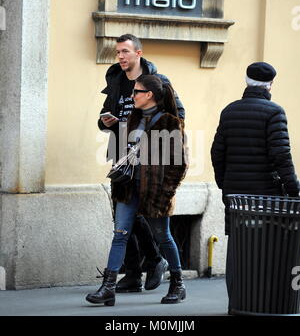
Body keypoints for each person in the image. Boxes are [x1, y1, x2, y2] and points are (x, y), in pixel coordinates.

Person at [86, 74, 188, 306]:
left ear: (149, 95)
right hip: (128, 187)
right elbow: (125, 150)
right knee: (120, 234)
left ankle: (178, 284)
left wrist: (165, 192)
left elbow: (179, 164)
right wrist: (116, 129)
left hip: (154, 192)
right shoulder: (131, 118)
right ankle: (108, 287)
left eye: (136, 92)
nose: (132, 96)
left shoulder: (169, 122)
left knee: (163, 237)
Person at [210, 61, 300, 313]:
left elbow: (217, 152)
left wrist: (224, 184)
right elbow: (281, 155)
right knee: (265, 249)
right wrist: (293, 189)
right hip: (265, 196)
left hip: (236, 196)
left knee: (238, 248)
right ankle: (262, 303)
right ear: (271, 85)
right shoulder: (274, 112)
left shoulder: (229, 111)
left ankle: (237, 303)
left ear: (246, 82)